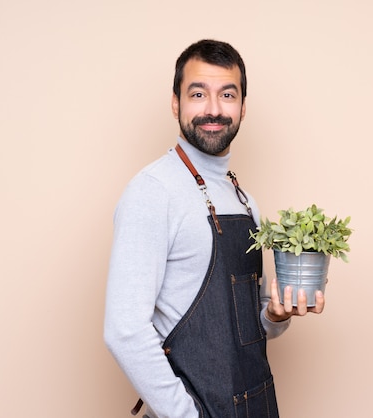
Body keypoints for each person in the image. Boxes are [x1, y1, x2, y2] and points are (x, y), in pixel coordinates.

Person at [104, 39, 325, 418]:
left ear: (242, 107)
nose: (213, 109)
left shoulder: (244, 200)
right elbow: (124, 332)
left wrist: (274, 316)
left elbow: (247, 331)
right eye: (197, 93)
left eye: (227, 94)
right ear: (176, 103)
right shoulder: (153, 191)